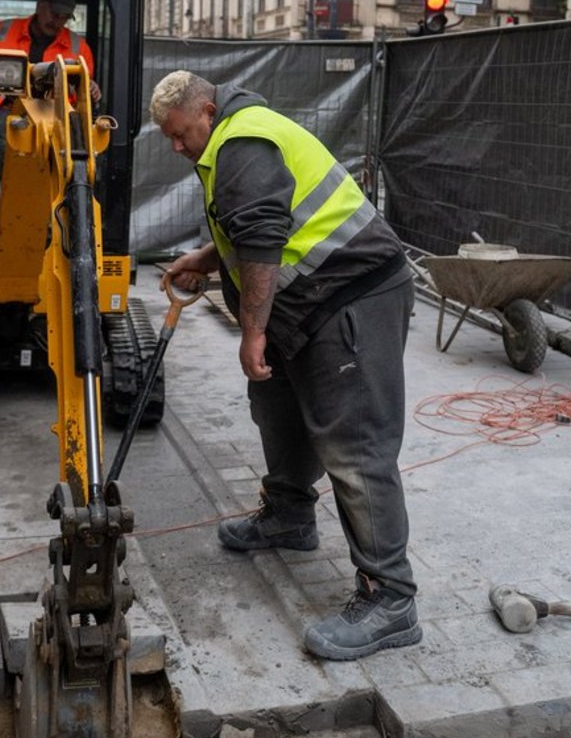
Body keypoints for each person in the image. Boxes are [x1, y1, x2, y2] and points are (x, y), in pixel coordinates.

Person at [150, 70, 421, 663]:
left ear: (207, 108)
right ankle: (290, 517)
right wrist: (205, 255)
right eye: (167, 138)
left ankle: (391, 599)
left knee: (354, 444)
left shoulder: (243, 142)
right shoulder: (228, 141)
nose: (175, 147)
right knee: (277, 408)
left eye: (178, 133)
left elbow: (266, 240)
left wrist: (252, 332)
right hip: (310, 302)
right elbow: (253, 228)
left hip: (353, 296)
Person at [0, 0, 98, 220]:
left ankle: (61, 211)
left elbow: (82, 85)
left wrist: (89, 88)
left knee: (75, 149)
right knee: (8, 133)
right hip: (6, 107)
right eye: (54, 14)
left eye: (64, 17)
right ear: (40, 7)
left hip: (54, 115)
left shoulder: (77, 47)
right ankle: (10, 206)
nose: (58, 22)